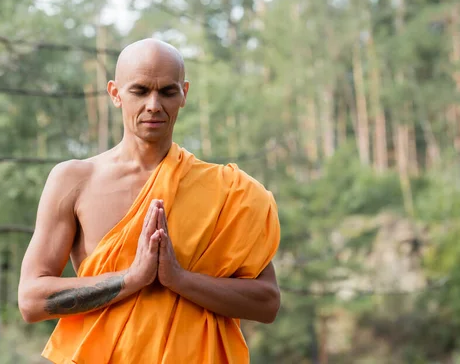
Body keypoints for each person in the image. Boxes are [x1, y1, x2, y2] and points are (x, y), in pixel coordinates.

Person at [18, 38, 281, 363]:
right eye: (140, 91)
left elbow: (267, 303)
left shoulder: (228, 191)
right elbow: (31, 301)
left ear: (184, 93)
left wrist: (178, 279)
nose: (154, 105)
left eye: (167, 92)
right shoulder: (75, 180)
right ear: (115, 93)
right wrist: (133, 278)